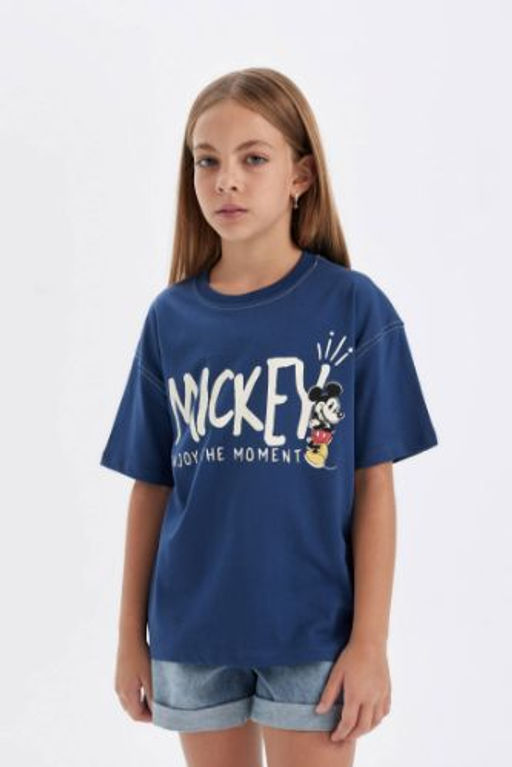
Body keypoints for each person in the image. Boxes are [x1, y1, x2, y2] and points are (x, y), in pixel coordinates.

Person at [99, 67, 439, 767]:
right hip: (193, 631)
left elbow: (373, 484)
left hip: (314, 631)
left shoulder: (352, 308)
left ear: (300, 176)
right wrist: (130, 637)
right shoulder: (171, 318)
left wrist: (370, 641)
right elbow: (151, 487)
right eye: (207, 161)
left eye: (253, 158)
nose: (226, 180)